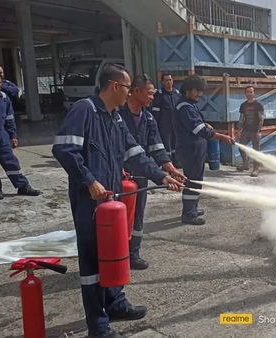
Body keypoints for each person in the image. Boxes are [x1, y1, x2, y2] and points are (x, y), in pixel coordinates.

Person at [52, 64, 184, 338]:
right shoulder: (85, 110)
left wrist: (161, 176)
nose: (128, 94)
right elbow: (64, 149)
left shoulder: (115, 117)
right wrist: (89, 181)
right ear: (115, 86)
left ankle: (115, 302)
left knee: (113, 253)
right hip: (90, 200)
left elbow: (134, 153)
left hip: (112, 196)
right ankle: (97, 325)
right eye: (126, 88)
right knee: (92, 262)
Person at [118, 74, 182, 270]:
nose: (153, 97)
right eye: (149, 93)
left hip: (142, 173)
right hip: (119, 175)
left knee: (137, 214)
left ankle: (133, 253)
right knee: (118, 215)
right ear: (135, 92)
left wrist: (169, 167)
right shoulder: (118, 116)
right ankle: (116, 253)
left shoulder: (148, 117)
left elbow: (156, 146)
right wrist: (161, 176)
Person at [173, 75, 234, 225]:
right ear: (188, 90)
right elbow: (199, 130)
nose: (200, 94)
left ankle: (192, 207)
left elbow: (198, 123)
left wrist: (205, 123)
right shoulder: (185, 107)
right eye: (197, 91)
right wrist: (222, 137)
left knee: (196, 180)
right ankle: (188, 214)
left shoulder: (189, 104)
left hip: (195, 149)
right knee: (192, 181)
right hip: (190, 149)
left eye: (201, 91)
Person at [0, 69, 41, 200]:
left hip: (2, 136)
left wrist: (13, 136)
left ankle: (23, 186)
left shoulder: (4, 98)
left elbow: (9, 118)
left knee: (11, 162)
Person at [151, 74, 181, 166]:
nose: (169, 82)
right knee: (166, 144)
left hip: (175, 124)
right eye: (166, 80)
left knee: (176, 143)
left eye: (170, 80)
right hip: (164, 124)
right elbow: (155, 112)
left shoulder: (177, 94)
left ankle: (177, 162)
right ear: (162, 82)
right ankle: (167, 163)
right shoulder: (159, 95)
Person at [236, 85, 264, 177]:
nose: (249, 94)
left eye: (251, 92)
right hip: (246, 130)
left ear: (254, 93)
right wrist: (239, 131)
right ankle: (245, 164)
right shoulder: (243, 105)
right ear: (245, 93)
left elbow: (261, 118)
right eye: (248, 92)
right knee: (241, 147)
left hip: (255, 131)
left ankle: (256, 169)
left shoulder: (258, 105)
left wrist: (259, 131)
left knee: (256, 150)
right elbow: (241, 119)